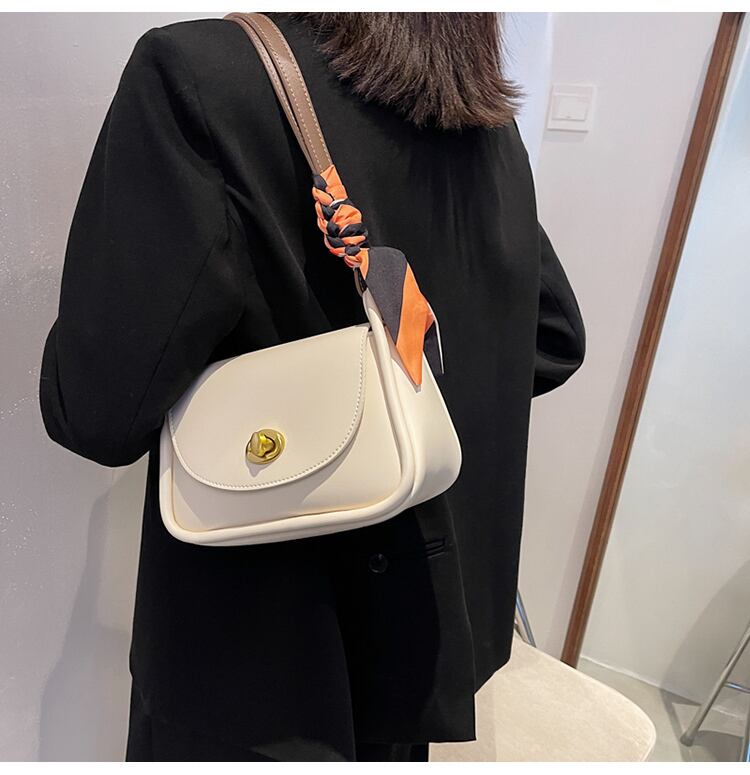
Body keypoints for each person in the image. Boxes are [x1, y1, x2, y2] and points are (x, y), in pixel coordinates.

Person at [39, 12, 585, 762]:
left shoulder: (198, 74)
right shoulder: (482, 116)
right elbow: (552, 340)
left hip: (258, 670)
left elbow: (94, 412)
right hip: (420, 636)